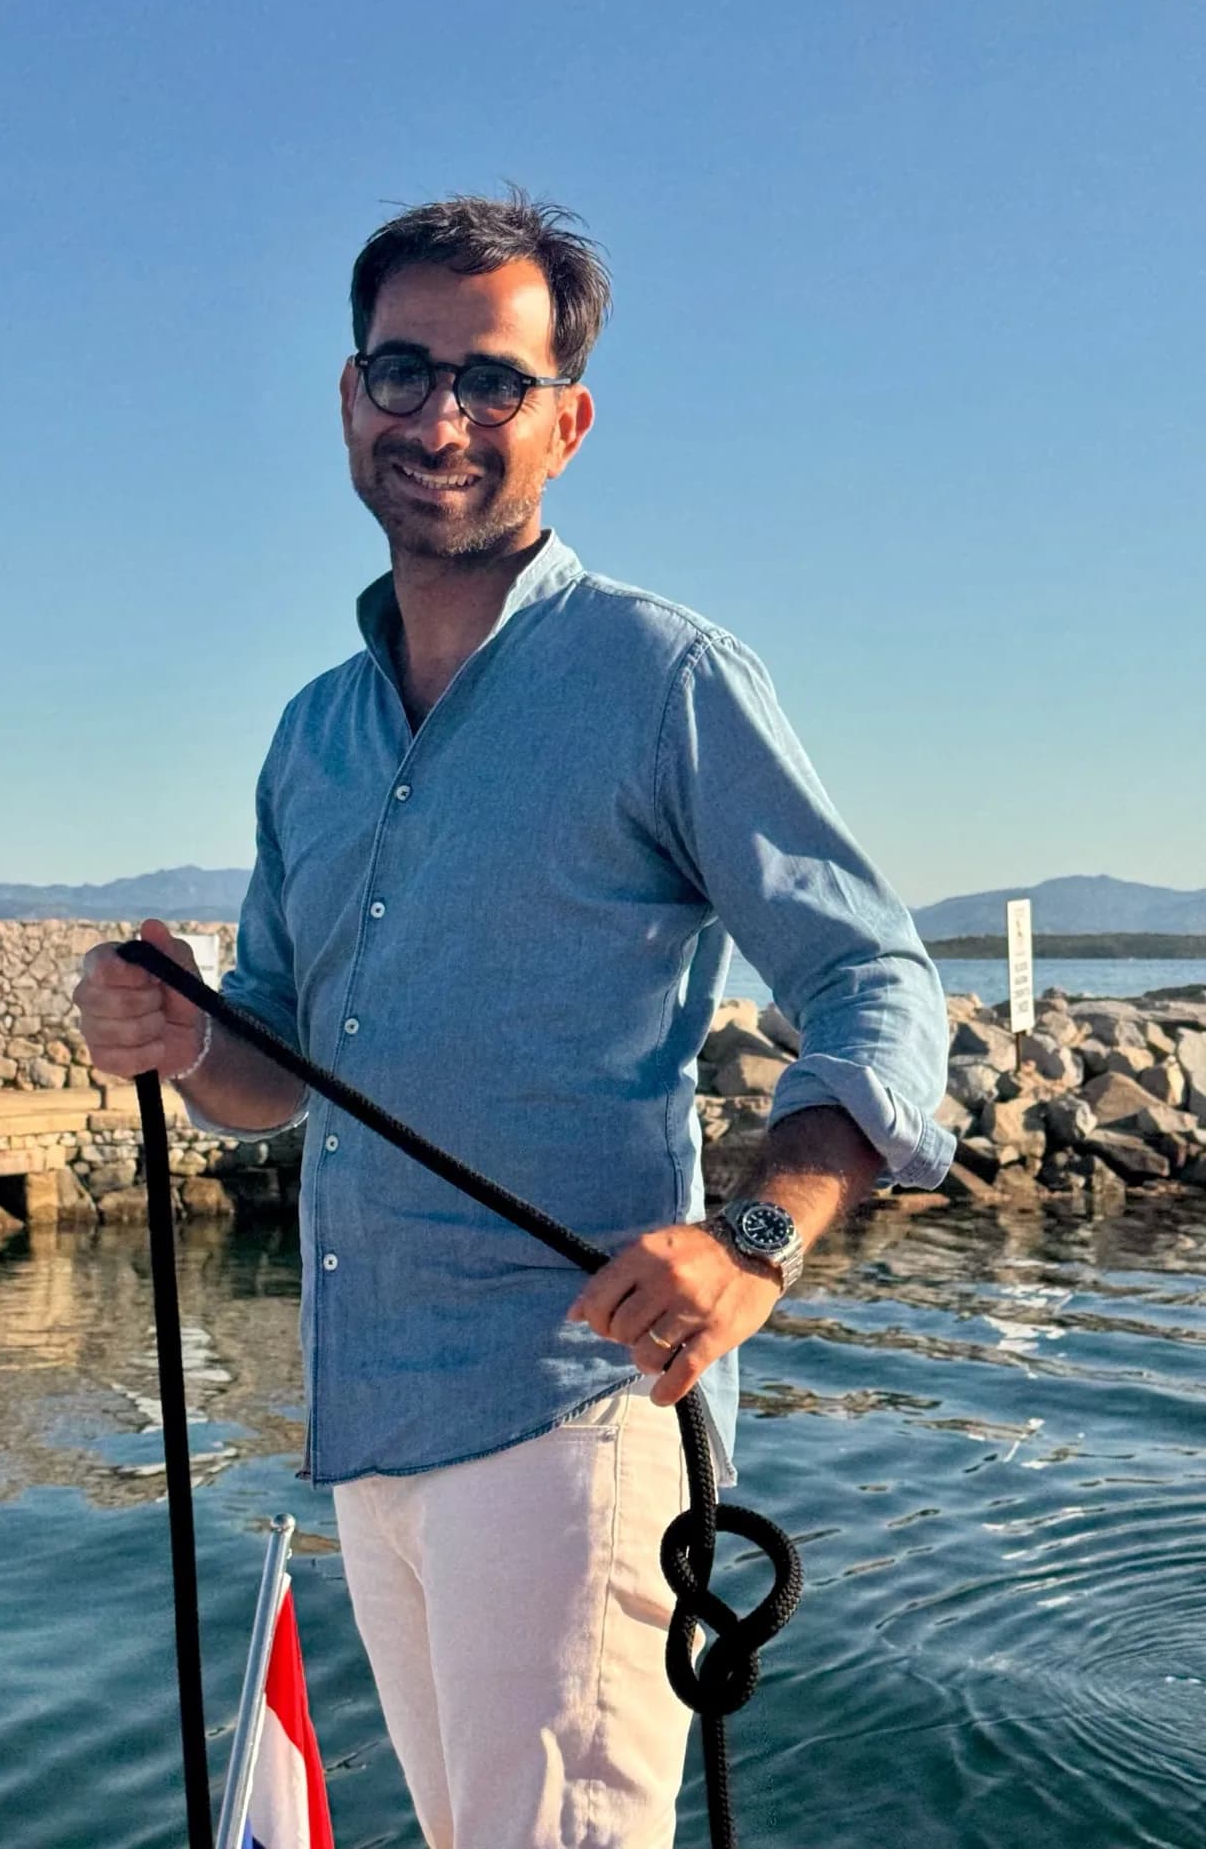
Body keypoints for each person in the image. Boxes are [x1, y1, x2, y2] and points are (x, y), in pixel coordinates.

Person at [73, 190, 952, 1849]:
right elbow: (273, 1064)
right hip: (371, 1421)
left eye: (490, 380)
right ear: (348, 402)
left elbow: (878, 984)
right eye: (402, 375)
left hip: (575, 1415)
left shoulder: (663, 679)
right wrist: (183, 1037)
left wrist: (752, 1240)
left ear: (569, 418)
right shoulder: (308, 736)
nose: (442, 420)